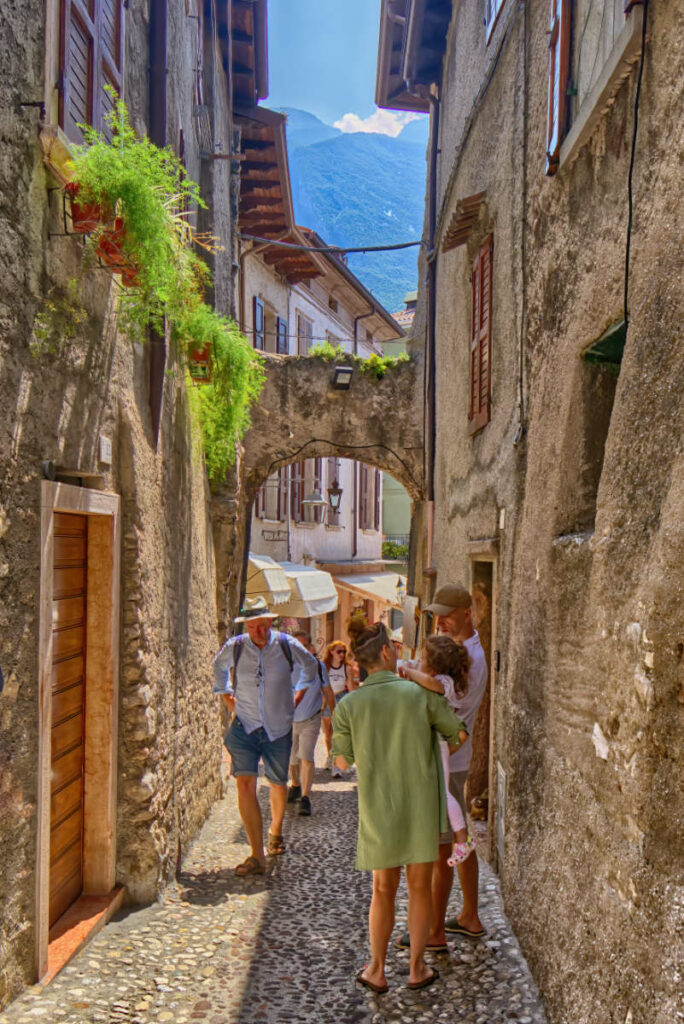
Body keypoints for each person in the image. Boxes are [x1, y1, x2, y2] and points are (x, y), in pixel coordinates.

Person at [332, 619, 468, 994]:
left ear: (360, 663)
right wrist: (429, 753)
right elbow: (457, 734)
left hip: (379, 806)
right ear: (388, 653)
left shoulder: (350, 706)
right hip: (421, 805)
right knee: (420, 887)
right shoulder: (420, 696)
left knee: (382, 889)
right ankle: (417, 968)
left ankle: (376, 969)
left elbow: (341, 762)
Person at [213, 597, 318, 876]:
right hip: (245, 725)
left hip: (278, 728)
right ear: (246, 625)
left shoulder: (286, 645)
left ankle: (275, 830)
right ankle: (256, 855)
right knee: (245, 784)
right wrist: (225, 695)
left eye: (262, 626)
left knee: (277, 783)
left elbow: (311, 666)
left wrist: (299, 695)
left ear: (271, 622)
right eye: (253, 627)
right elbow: (218, 666)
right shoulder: (235, 647)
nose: (258, 632)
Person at [421, 584, 489, 945]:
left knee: (441, 847)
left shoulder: (470, 658)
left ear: (468, 612)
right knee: (455, 837)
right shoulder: (463, 651)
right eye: (436, 613)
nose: (440, 620)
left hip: (447, 761)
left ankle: (433, 932)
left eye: (447, 613)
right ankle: (469, 915)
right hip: (452, 759)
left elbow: (443, 702)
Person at [398, 634, 476, 867]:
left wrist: (411, 673)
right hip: (432, 741)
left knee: (443, 791)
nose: (419, 661)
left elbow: (433, 685)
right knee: (433, 789)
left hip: (439, 741)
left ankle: (462, 838)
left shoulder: (444, 682)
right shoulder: (434, 679)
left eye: (423, 658)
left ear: (434, 665)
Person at [287, 630, 335, 816]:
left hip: (311, 718)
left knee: (306, 756)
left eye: (304, 645)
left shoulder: (317, 666)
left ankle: (305, 798)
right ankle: (296, 785)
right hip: (289, 721)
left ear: (309, 647)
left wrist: (334, 712)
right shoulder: (284, 666)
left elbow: (328, 690)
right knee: (292, 759)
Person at [321, 640, 355, 777]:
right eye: (339, 651)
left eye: (344, 652)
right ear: (331, 652)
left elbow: (351, 687)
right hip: (326, 699)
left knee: (337, 733)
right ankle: (330, 756)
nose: (342, 654)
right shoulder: (325, 667)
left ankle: (336, 764)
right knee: (328, 734)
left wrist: (353, 703)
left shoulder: (347, 668)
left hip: (341, 699)